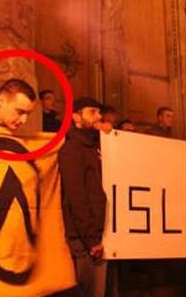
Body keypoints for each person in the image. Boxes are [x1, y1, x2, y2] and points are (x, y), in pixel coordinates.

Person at [59, 97, 110, 297]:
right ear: (76, 117)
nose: (98, 116)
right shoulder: (72, 148)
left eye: (99, 112)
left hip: (98, 234)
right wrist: (91, 239)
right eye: (92, 112)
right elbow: (76, 196)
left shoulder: (95, 146)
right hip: (85, 240)